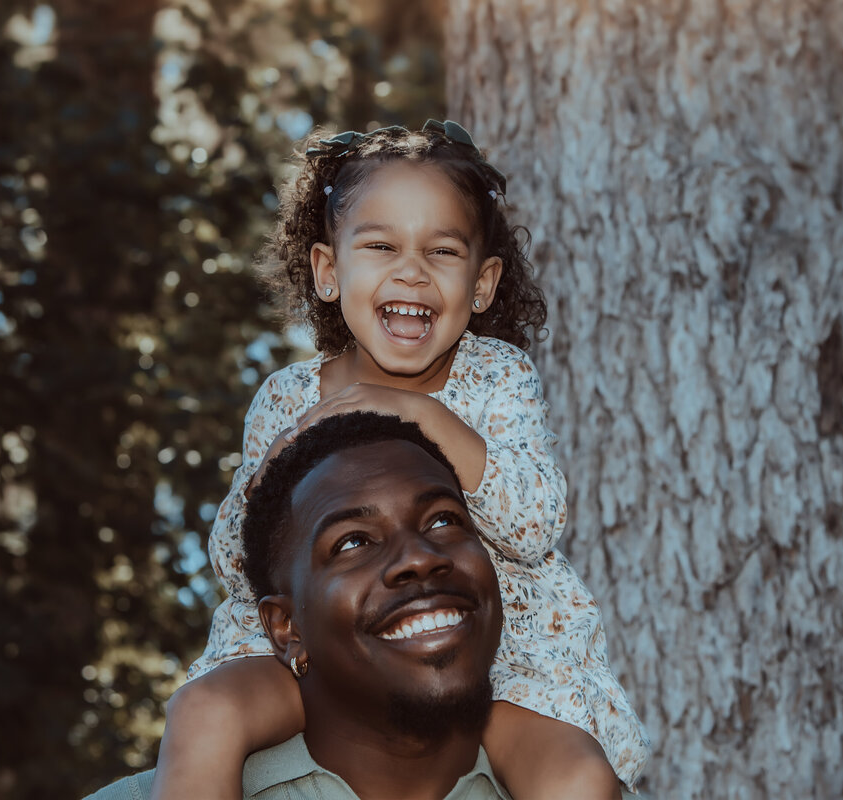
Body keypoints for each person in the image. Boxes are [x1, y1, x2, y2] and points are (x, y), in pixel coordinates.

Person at [151, 121, 649, 800]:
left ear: (481, 283)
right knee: (202, 713)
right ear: (329, 271)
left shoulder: (495, 379)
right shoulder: (290, 396)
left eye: (442, 250)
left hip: (498, 651)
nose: (410, 270)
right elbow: (239, 567)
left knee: (578, 777)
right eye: (381, 245)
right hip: (319, 650)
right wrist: (275, 462)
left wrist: (422, 414)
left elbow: (534, 524)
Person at [90, 412, 508, 798]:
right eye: (353, 542)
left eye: (443, 520)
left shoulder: (567, 778)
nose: (419, 557)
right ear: (286, 627)